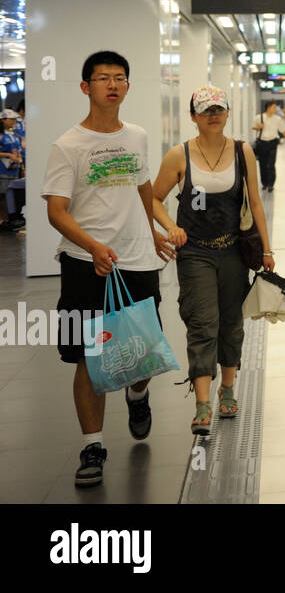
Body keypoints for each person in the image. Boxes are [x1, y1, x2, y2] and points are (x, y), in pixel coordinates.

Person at [42, 51, 176, 489]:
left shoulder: (136, 137)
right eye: (103, 78)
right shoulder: (68, 145)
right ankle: (93, 445)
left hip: (137, 261)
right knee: (88, 356)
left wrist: (157, 230)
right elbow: (56, 212)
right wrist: (92, 245)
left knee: (139, 353)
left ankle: (138, 395)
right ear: (86, 87)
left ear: (127, 87)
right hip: (86, 265)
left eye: (120, 78)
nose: (112, 85)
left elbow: (143, 189)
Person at [151, 87, 273, 435]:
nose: (213, 115)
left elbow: (256, 202)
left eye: (219, 109)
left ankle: (228, 389)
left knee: (232, 322)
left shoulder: (242, 151)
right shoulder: (179, 156)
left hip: (234, 250)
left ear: (228, 113)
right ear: (193, 117)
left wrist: (267, 249)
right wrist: (171, 227)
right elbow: (154, 199)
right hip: (195, 253)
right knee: (203, 322)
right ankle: (203, 402)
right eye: (206, 111)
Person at [252, 101, 285, 193]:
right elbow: (253, 127)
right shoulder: (259, 117)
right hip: (262, 143)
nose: (275, 109)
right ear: (268, 108)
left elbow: (283, 129)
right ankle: (264, 183)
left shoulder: (277, 119)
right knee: (263, 164)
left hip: (273, 143)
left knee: (271, 164)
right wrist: (259, 127)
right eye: (274, 107)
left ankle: (271, 184)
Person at [0, 109, 22, 232]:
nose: (14, 121)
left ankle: (9, 220)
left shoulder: (13, 134)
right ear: (3, 119)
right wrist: (8, 155)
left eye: (14, 119)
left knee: (11, 196)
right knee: (2, 196)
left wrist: (22, 168)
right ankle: (2, 220)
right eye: (11, 119)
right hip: (2, 170)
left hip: (14, 170)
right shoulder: (1, 135)